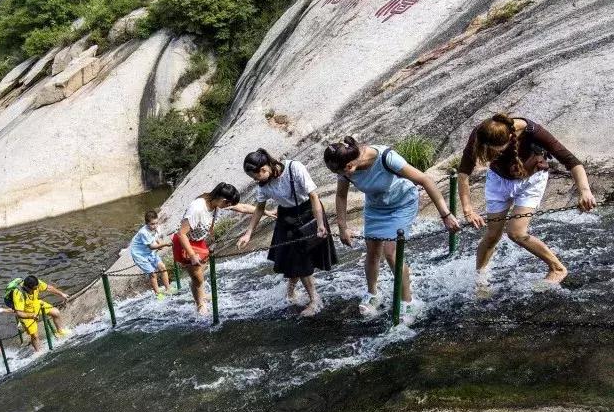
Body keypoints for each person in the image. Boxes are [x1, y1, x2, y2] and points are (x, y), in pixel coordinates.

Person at [324, 137, 460, 324]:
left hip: (402, 203)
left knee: (391, 253)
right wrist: (342, 227)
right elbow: (341, 196)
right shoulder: (345, 169)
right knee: (372, 252)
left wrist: (446, 214)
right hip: (375, 207)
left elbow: (424, 179)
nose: (343, 175)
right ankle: (373, 294)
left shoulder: (386, 157)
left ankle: (408, 301)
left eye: (343, 170)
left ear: (349, 163)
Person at [458, 113, 596, 287]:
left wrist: (584, 191)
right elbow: (463, 173)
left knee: (516, 233)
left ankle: (557, 268)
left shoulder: (533, 131)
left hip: (531, 181)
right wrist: (468, 209)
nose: (491, 154)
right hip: (498, 180)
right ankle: (480, 280)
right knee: (492, 235)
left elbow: (572, 161)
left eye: (496, 150)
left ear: (510, 137)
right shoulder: (482, 132)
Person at [238, 150, 337, 317]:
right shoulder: (264, 185)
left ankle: (314, 300)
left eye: (255, 176)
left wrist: (320, 224)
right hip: (286, 217)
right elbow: (259, 209)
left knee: (301, 259)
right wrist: (248, 234)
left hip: (308, 212)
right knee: (292, 259)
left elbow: (313, 196)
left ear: (264, 169)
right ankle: (291, 292)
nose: (255, 181)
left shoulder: (294, 168)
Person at [174, 183, 255, 315]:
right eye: (228, 204)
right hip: (186, 243)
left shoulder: (215, 201)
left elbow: (242, 207)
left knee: (200, 273)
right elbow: (181, 234)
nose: (229, 207)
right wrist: (192, 255)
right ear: (223, 200)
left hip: (199, 241)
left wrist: (266, 212)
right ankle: (200, 305)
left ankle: (198, 290)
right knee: (198, 279)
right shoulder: (197, 208)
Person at [11, 276, 69, 352]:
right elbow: (19, 313)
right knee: (34, 335)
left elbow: (49, 288)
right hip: (26, 312)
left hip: (36, 304)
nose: (36, 289)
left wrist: (62, 294)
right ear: (27, 287)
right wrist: (31, 316)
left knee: (56, 313)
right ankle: (39, 352)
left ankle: (60, 332)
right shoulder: (19, 294)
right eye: (34, 289)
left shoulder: (36, 283)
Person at [130, 210, 174, 300]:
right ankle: (158, 294)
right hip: (140, 255)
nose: (155, 226)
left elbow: (156, 238)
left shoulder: (157, 228)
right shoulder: (143, 232)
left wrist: (160, 243)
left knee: (162, 267)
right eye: (152, 224)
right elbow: (151, 247)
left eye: (156, 223)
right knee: (152, 273)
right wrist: (164, 244)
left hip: (149, 252)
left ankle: (168, 289)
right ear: (146, 223)